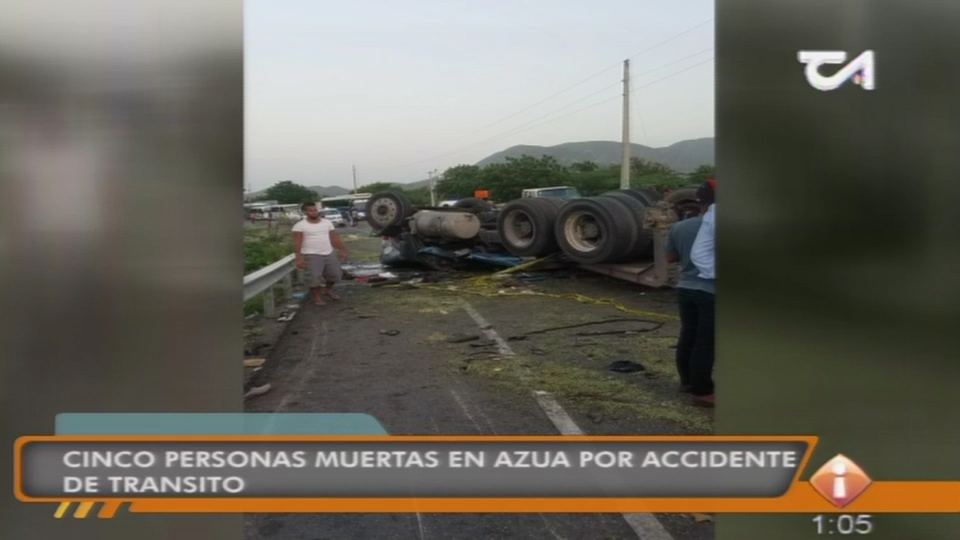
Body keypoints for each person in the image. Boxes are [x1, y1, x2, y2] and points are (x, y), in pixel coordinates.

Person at [664, 180, 715, 407]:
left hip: (686, 289)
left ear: (699, 201)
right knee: (706, 341)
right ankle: (702, 391)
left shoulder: (680, 227)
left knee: (688, 335)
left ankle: (687, 381)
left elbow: (669, 258)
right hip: (711, 292)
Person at [292, 202, 348, 306]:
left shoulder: (327, 223)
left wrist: (341, 250)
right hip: (311, 254)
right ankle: (317, 297)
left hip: (328, 252)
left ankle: (328, 290)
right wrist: (298, 257)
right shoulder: (299, 226)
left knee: (335, 274)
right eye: (311, 210)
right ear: (305, 212)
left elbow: (334, 237)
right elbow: (297, 242)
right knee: (314, 278)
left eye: (315, 210)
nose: (314, 212)